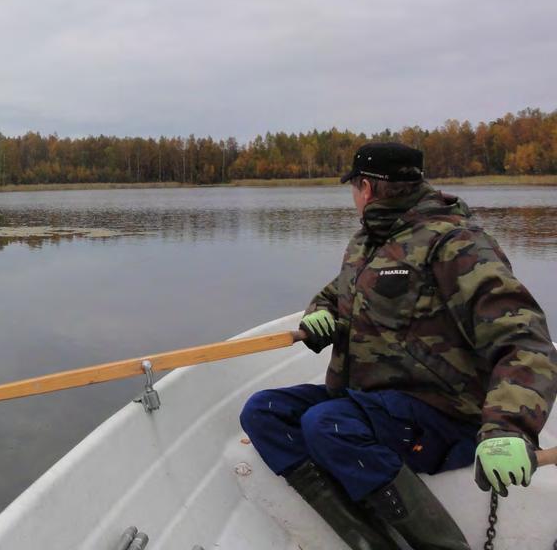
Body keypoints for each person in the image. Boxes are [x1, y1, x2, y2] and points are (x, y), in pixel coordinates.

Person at [239, 142, 557, 550]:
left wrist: (509, 428)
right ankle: (371, 541)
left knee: (328, 424)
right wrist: (318, 315)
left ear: (367, 188)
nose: (353, 196)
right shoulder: (368, 242)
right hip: (373, 404)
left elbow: (525, 337)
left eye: (353, 187)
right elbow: (336, 296)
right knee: (265, 412)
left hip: (441, 414)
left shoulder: (456, 243)